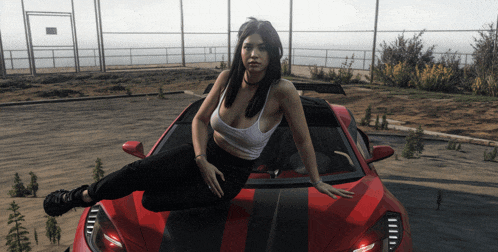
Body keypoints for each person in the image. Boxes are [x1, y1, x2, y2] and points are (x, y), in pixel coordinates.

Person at [43, 18, 353, 217]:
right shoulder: (227, 78)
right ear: (240, 51)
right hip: (203, 155)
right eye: (248, 46)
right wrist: (202, 159)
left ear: (273, 52)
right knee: (135, 170)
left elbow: (302, 138)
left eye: (262, 47)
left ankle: (173, 181)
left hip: (230, 175)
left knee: (151, 201)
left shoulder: (282, 91)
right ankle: (79, 195)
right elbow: (200, 120)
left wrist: (316, 180)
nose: (254, 53)